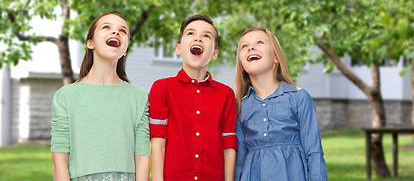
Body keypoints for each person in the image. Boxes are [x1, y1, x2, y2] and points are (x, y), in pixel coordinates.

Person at [51, 12, 150, 181]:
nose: (116, 32)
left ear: (125, 49)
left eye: (123, 31)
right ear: (90, 43)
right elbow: (59, 160)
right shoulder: (66, 96)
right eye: (106, 27)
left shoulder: (137, 97)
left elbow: (141, 157)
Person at [149, 15, 238, 181]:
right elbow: (158, 144)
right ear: (178, 48)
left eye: (206, 36)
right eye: (190, 33)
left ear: (214, 54)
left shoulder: (226, 94)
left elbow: (228, 146)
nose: (198, 37)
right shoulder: (162, 88)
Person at [234, 28, 328, 181]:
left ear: (276, 57)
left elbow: (314, 152)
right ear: (242, 65)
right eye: (244, 46)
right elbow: (239, 162)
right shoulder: (240, 107)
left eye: (260, 42)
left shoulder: (298, 97)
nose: (250, 47)